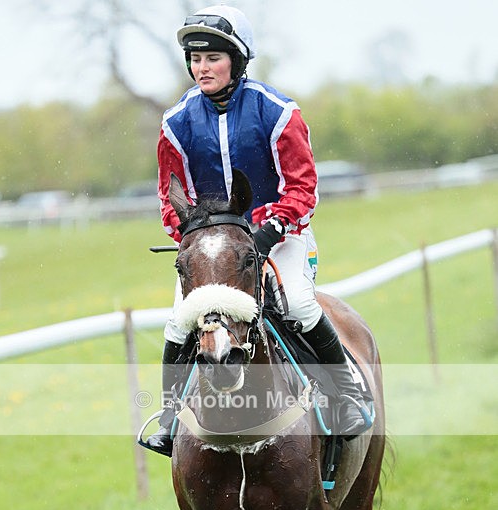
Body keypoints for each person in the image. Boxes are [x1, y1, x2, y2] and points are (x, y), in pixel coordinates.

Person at [144, 4, 370, 456]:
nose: (202, 68)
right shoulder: (175, 123)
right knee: (177, 323)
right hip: (213, 246)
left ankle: (346, 395)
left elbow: (303, 188)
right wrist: (193, 235)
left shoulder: (278, 112)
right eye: (195, 59)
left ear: (237, 60)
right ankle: (170, 417)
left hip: (279, 236)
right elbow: (171, 198)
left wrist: (269, 231)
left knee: (299, 304)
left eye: (213, 58)